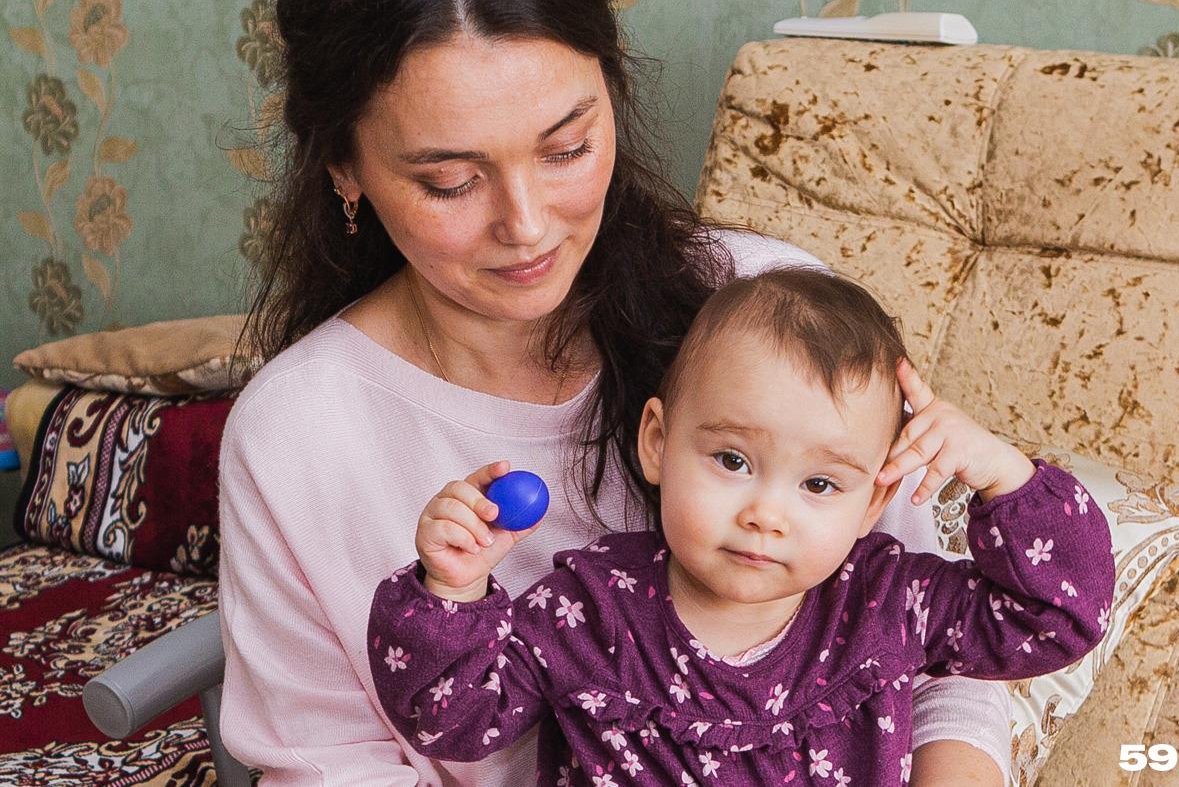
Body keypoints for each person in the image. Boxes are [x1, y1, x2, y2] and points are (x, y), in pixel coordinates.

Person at [219, 0, 1016, 782]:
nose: (525, 224)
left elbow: (939, 656)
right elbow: (331, 765)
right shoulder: (295, 433)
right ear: (344, 167)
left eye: (565, 149)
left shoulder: (779, 317)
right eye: (451, 181)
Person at [366, 268, 1115, 785]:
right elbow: (449, 723)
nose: (765, 512)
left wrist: (1008, 477)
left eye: (820, 483)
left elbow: (1057, 621)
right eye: (731, 459)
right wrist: (451, 588)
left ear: (870, 501)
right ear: (657, 442)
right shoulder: (591, 607)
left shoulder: (888, 601)